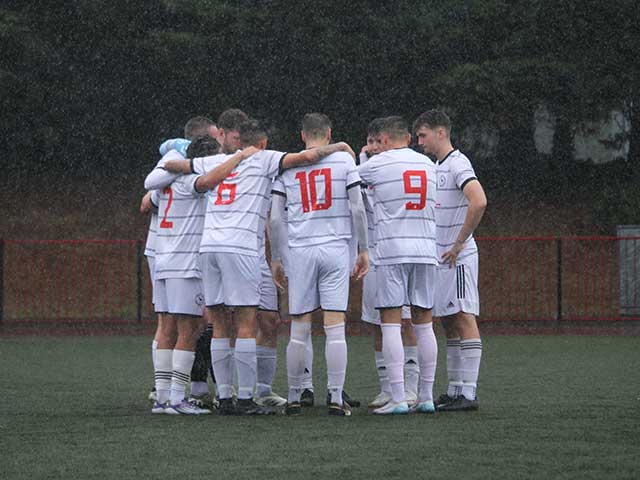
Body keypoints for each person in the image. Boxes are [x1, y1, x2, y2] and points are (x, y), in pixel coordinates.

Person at [165, 118, 356, 415]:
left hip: (209, 246)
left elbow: (172, 169)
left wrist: (182, 162)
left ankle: (224, 398)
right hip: (240, 247)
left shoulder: (217, 160)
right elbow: (308, 156)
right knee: (245, 323)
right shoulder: (267, 159)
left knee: (218, 325)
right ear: (263, 143)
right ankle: (245, 398)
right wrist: (341, 146)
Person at [145, 131, 257, 414]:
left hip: (164, 260)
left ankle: (163, 397)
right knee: (189, 330)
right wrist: (239, 157)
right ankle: (177, 399)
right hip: (184, 264)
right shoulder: (189, 182)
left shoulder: (165, 186)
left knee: (169, 329)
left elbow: (148, 202)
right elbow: (207, 180)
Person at [270, 113, 369, 417]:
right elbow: (357, 208)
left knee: (299, 327)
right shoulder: (344, 162)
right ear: (329, 133)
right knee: (334, 326)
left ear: (302, 136)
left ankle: (294, 396)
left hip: (300, 250)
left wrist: (276, 257)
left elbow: (274, 218)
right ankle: (336, 399)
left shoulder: (288, 166)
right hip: (336, 247)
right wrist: (363, 249)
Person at [358, 116, 439, 415]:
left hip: (392, 249)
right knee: (424, 323)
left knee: (389, 322)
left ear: (387, 140)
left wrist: (364, 156)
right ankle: (426, 396)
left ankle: (397, 398)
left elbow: (350, 181)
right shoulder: (429, 165)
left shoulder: (379, 164)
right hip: (426, 248)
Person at [414, 109, 487, 412]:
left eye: (423, 135)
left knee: (464, 316)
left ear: (441, 132)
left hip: (456, 257)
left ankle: (468, 393)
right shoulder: (435, 166)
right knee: (448, 321)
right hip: (440, 256)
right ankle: (455, 388)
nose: (419, 141)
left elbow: (479, 200)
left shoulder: (458, 163)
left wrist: (459, 243)